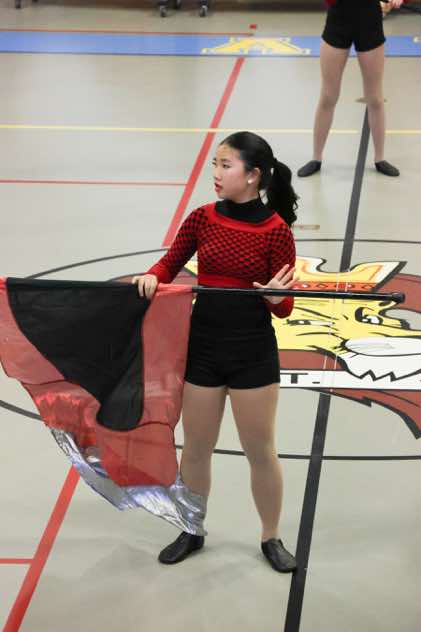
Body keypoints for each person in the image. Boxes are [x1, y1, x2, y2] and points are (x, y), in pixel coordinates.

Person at [133, 131, 298, 573]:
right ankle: (192, 528)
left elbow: (284, 306)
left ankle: (271, 537)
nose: (217, 173)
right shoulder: (202, 218)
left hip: (252, 354)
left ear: (253, 175)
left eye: (226, 165)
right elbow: (169, 263)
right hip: (203, 348)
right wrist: (152, 277)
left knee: (260, 451)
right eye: (215, 164)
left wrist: (274, 297)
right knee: (196, 448)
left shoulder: (276, 231)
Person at [298, 0, 405, 178]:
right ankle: (316, 158)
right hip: (338, 21)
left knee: (375, 98)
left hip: (369, 22)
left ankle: (380, 158)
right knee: (328, 96)